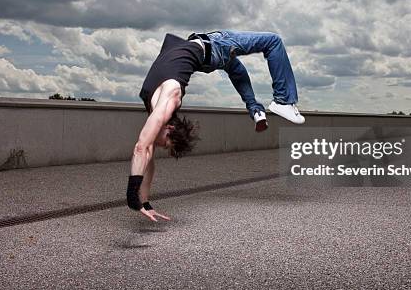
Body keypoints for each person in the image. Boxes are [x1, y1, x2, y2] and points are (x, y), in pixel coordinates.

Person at [126, 30, 305, 221]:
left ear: (170, 129)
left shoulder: (169, 100)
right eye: (165, 145)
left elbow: (141, 149)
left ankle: (282, 101)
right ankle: (255, 107)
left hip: (215, 45)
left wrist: (135, 199)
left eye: (165, 144)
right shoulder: (158, 110)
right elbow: (146, 157)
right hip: (209, 53)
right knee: (233, 66)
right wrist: (142, 202)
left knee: (272, 42)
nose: (159, 145)